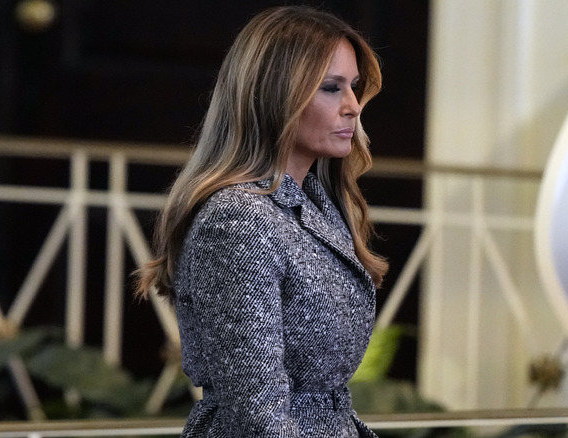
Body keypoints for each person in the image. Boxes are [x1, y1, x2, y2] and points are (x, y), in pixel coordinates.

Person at [135, 5, 388, 437]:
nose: (352, 107)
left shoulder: (317, 203)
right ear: (275, 95)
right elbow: (258, 418)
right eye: (331, 88)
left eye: (354, 88)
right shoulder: (237, 222)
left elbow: (323, 399)